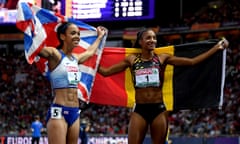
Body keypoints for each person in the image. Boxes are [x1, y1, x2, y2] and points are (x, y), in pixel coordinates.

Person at [97, 28, 229, 144]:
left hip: (159, 109)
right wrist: (89, 59)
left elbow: (192, 62)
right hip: (139, 110)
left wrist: (216, 48)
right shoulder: (131, 60)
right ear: (140, 42)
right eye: (148, 38)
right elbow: (106, 72)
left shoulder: (162, 58)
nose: (152, 40)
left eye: (154, 38)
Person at [38, 22, 106, 144]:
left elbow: (90, 52)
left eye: (79, 34)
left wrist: (99, 37)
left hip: (75, 112)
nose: (77, 36)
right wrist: (29, 30)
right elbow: (40, 51)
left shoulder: (76, 58)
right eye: (73, 33)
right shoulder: (55, 55)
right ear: (62, 36)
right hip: (59, 111)